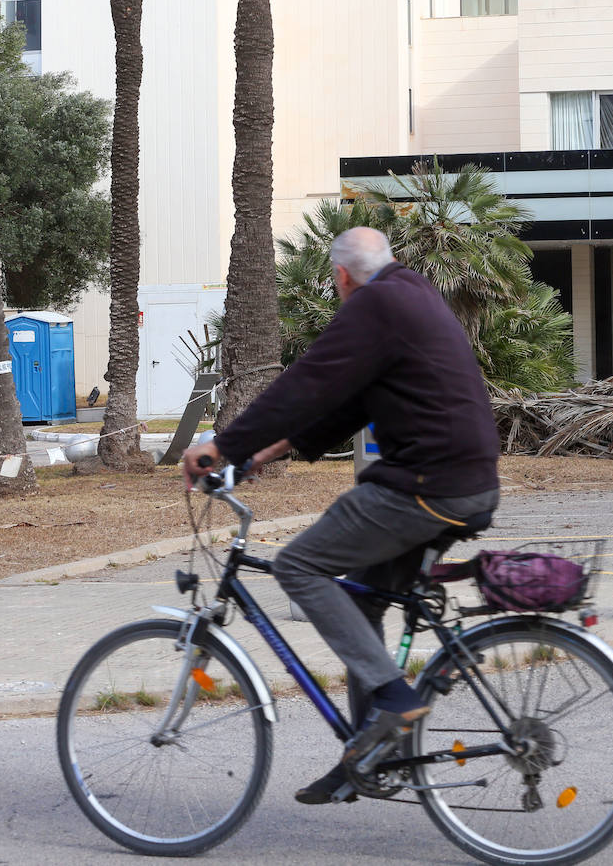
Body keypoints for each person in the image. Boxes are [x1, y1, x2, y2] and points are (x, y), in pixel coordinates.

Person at [183, 226, 500, 805]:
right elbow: (345, 403)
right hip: (464, 482)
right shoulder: (412, 294)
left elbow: (306, 384)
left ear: (342, 276)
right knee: (362, 601)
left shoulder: (376, 302)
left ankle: (393, 699)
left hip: (428, 485)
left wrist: (221, 446)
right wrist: (260, 455)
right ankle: (370, 755)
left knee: (300, 566)